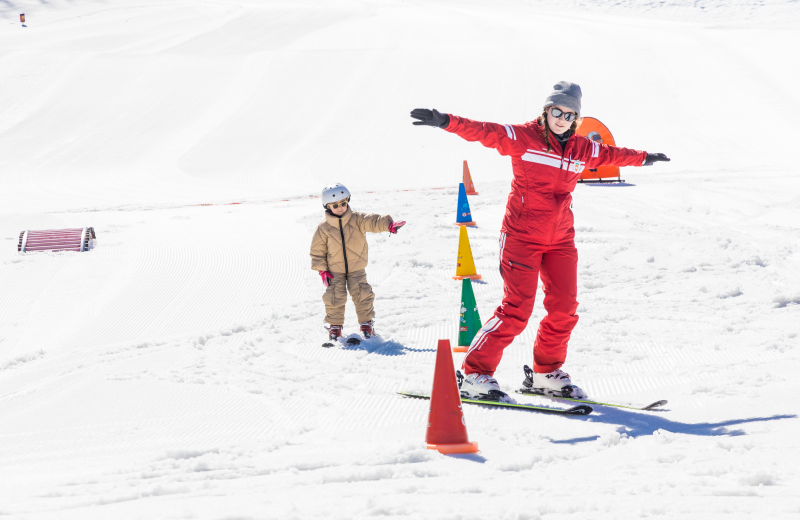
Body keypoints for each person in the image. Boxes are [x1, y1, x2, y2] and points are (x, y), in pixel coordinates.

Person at [410, 81, 670, 401]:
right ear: (546, 111)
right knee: (516, 310)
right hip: (521, 236)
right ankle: (474, 373)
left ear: (576, 120)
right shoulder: (524, 138)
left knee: (564, 309)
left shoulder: (581, 148)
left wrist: (645, 158)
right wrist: (445, 120)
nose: (562, 118)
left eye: (569, 114)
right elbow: (484, 131)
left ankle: (546, 373)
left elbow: (612, 154)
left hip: (561, 239)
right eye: (557, 111)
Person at [310, 183, 406, 344]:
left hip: (357, 268)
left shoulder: (358, 219)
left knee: (363, 294)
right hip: (334, 271)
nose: (340, 207)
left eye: (343, 203)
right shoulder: (323, 228)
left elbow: (373, 221)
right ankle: (335, 326)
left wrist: (388, 225)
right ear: (327, 206)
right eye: (335, 205)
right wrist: (322, 270)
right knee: (334, 297)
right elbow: (317, 251)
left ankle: (366, 324)